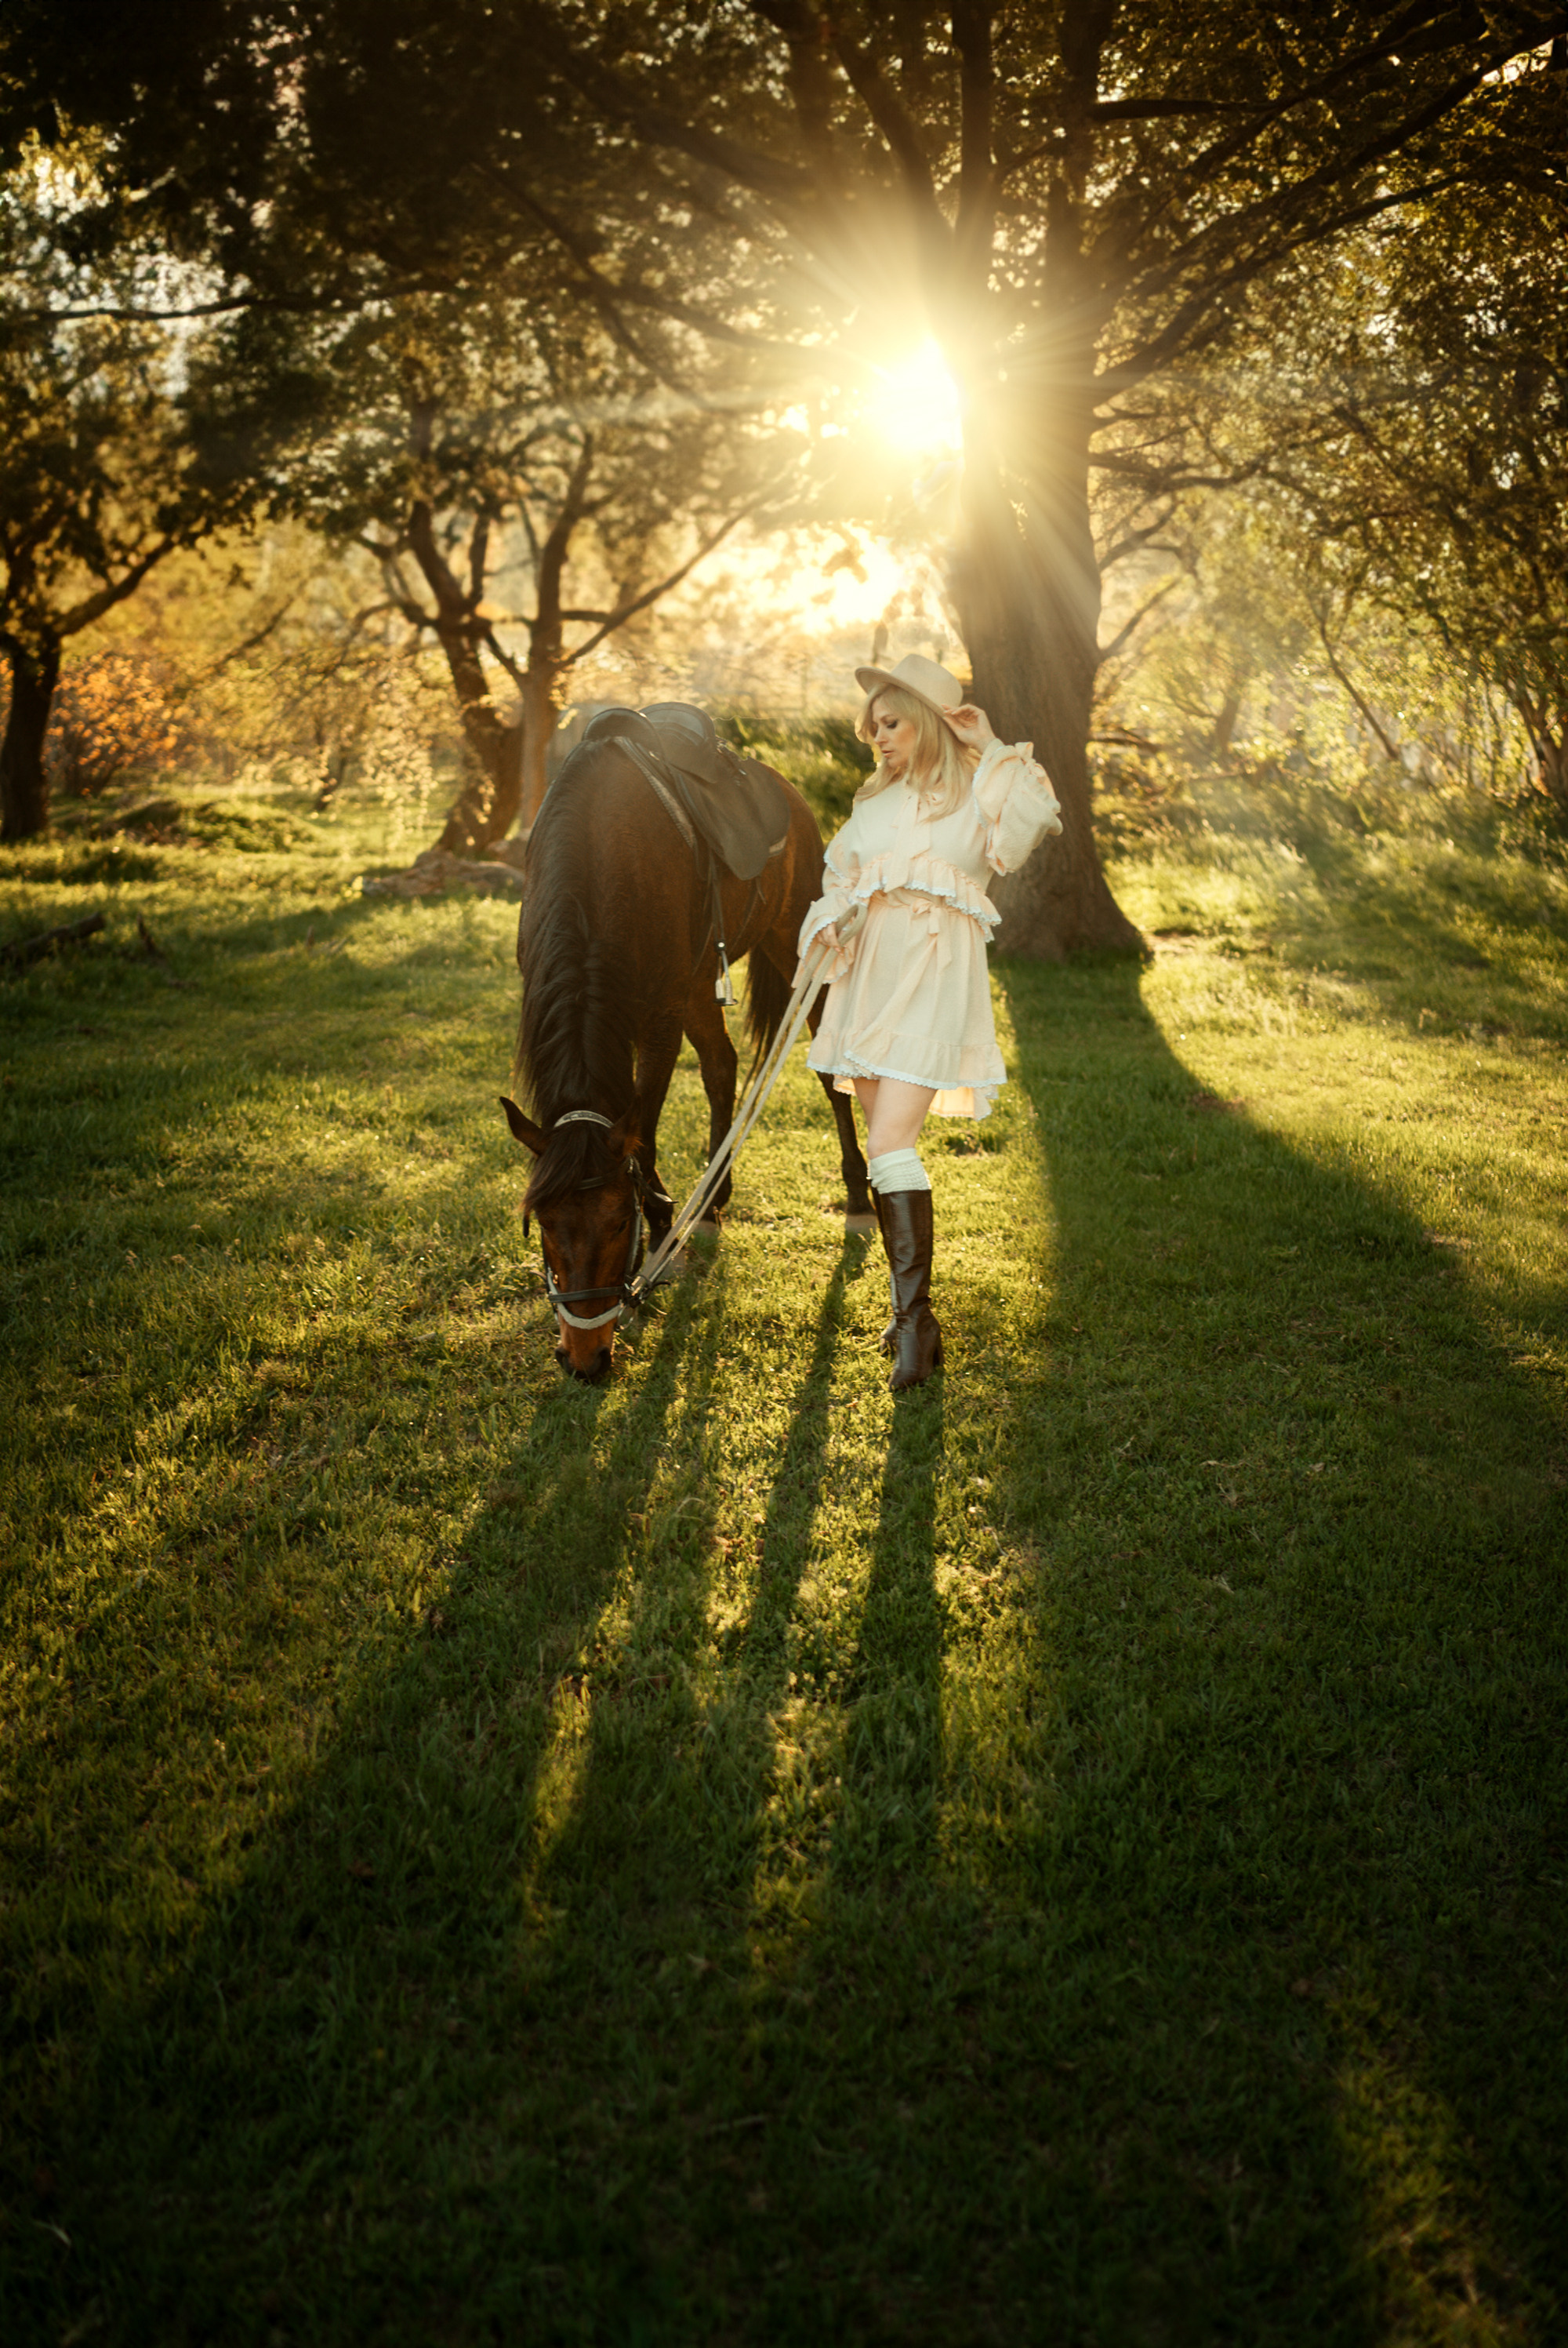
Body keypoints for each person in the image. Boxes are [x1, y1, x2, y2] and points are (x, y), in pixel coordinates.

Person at [796, 652, 1062, 1390]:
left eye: (892, 723)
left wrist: (992, 743)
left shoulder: (982, 790)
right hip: (871, 981)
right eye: (872, 726)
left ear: (929, 722)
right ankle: (908, 1313)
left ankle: (916, 1325)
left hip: (935, 976)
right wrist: (829, 923)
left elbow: (1029, 826)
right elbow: (839, 881)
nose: (878, 737)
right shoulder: (873, 806)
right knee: (887, 1153)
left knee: (887, 1143)